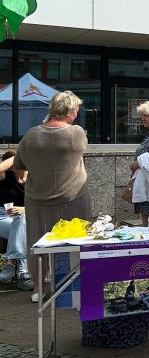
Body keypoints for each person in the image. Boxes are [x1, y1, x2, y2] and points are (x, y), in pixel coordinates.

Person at [14, 91, 91, 303]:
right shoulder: (76, 133)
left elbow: (18, 165)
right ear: (69, 112)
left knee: (37, 245)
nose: (76, 115)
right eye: (75, 111)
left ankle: (38, 290)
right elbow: (82, 149)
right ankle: (73, 288)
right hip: (72, 197)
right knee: (76, 243)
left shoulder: (30, 135)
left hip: (37, 199)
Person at [0, 150, 30, 290]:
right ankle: (23, 276)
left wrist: (24, 209)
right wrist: (17, 156)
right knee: (22, 228)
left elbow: (40, 203)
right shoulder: (5, 177)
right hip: (2, 217)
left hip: (24, 218)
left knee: (21, 220)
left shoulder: (33, 179)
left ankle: (11, 264)